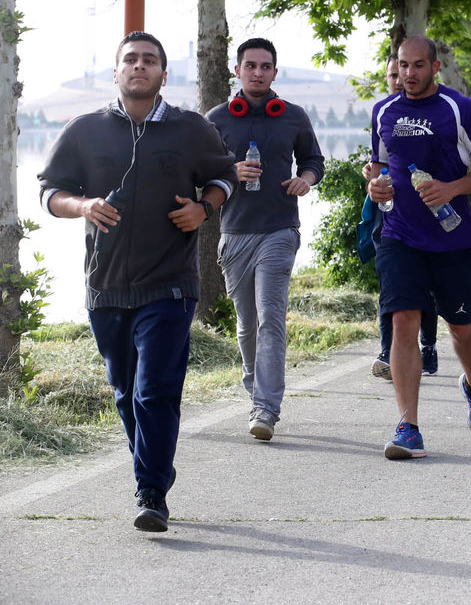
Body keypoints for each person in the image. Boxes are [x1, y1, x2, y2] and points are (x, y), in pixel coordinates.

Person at [38, 31, 237, 532]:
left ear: (163, 75)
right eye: (131, 60)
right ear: (116, 72)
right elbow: (50, 192)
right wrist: (81, 205)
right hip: (106, 286)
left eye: (150, 60)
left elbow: (224, 177)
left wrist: (204, 207)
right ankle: (156, 467)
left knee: (155, 391)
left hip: (171, 281)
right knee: (126, 394)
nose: (140, 66)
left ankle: (150, 493)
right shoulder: (85, 130)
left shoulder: (191, 129)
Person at [366, 36, 471, 460]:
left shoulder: (460, 108)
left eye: (418, 65)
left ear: (435, 66)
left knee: (461, 328)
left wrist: (453, 188)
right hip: (399, 234)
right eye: (403, 66)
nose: (409, 74)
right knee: (404, 322)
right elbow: (377, 165)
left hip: (452, 238)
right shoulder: (384, 111)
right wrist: (373, 186)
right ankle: (408, 426)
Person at [206, 38, 325, 442]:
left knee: (270, 316)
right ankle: (255, 394)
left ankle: (266, 409)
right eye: (250, 65)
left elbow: (314, 162)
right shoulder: (217, 118)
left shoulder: (292, 117)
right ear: (237, 71)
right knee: (246, 325)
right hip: (234, 232)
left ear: (275, 72)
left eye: (265, 66)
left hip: (279, 228)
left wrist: (304, 181)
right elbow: (195, 173)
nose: (258, 72)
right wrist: (229, 172)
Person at [364, 56, 439, 382]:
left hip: (430, 215)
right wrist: (372, 175)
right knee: (390, 286)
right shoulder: (382, 111)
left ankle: (429, 344)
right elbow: (377, 163)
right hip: (390, 217)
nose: (399, 79)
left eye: (405, 72)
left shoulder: (432, 112)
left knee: (426, 288)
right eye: (393, 74)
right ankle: (387, 352)